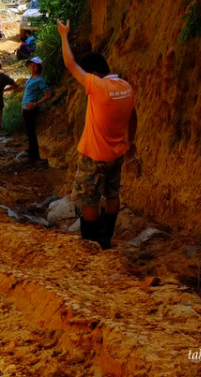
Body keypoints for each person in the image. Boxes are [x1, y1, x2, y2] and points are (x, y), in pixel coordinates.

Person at [58, 19, 137, 250]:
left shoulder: (98, 87)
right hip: (117, 154)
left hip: (94, 155)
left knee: (89, 198)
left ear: (94, 73)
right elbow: (133, 116)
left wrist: (64, 35)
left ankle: (91, 241)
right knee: (112, 194)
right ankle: (107, 237)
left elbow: (71, 64)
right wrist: (131, 141)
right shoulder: (126, 87)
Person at [20, 57, 51, 164]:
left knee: (31, 133)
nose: (32, 67)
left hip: (31, 110)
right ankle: (31, 152)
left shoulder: (39, 80)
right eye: (31, 65)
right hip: (26, 109)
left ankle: (34, 157)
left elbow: (48, 95)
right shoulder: (32, 77)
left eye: (35, 65)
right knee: (29, 132)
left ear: (39, 67)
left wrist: (35, 103)